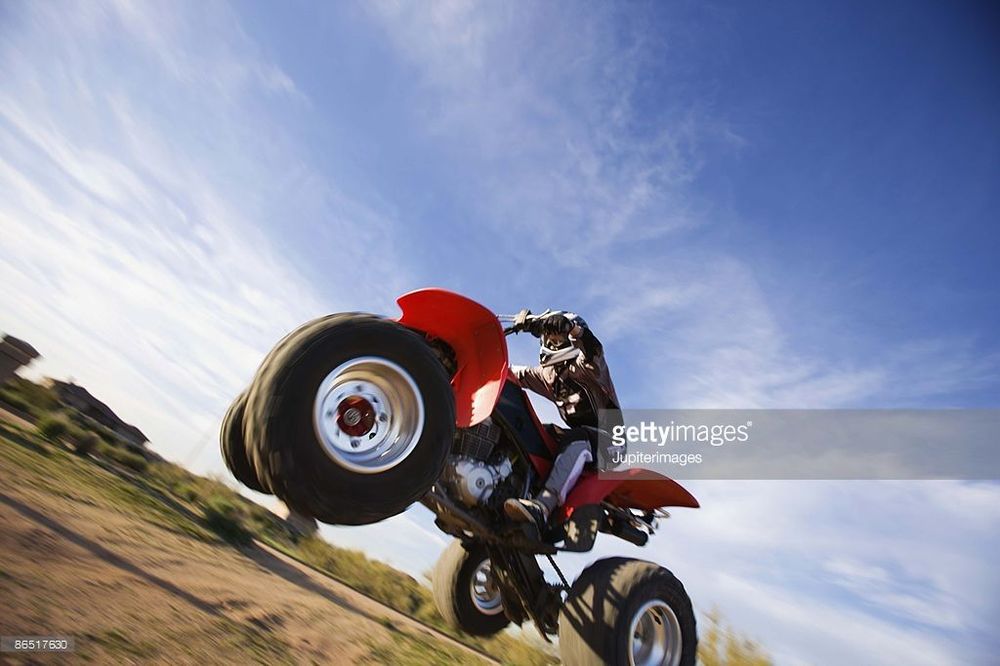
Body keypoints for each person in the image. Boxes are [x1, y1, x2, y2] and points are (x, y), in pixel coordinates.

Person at [503, 309, 621, 530]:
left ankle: (543, 507)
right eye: (549, 336)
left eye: (557, 336)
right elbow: (510, 373)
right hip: (579, 436)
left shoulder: (588, 368)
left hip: (612, 442)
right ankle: (511, 488)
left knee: (578, 438)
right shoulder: (547, 375)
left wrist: (573, 328)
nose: (551, 340)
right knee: (535, 432)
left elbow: (593, 348)